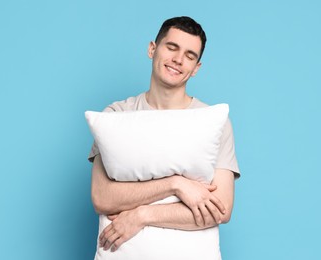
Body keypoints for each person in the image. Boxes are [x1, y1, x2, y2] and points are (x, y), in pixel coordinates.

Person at [88, 16, 240, 259]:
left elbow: (220, 209)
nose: (179, 60)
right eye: (172, 47)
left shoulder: (214, 121)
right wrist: (176, 184)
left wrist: (142, 215)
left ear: (196, 68)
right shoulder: (116, 115)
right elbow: (102, 197)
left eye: (190, 56)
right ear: (152, 49)